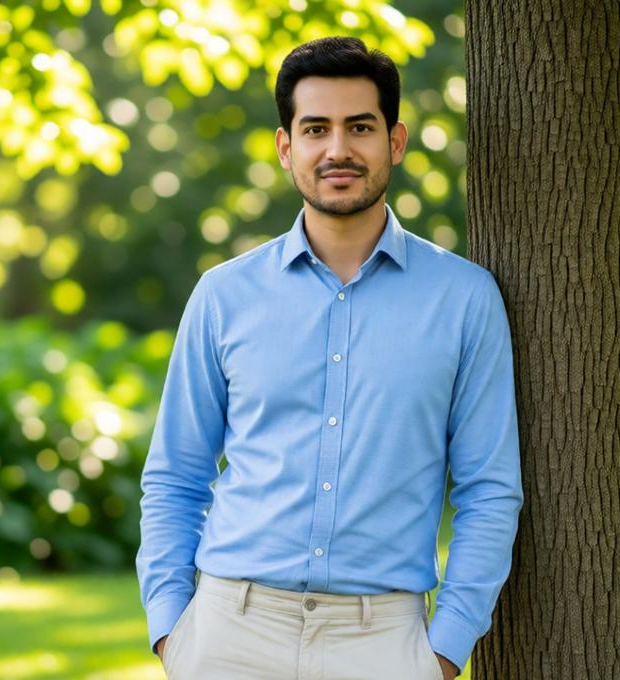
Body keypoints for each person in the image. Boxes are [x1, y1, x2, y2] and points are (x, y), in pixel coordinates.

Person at [136, 36, 523, 680]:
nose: (337, 149)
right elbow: (175, 476)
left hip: (383, 642)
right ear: (287, 147)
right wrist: (172, 630)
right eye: (315, 128)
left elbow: (489, 489)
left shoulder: (464, 299)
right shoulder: (224, 296)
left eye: (359, 127)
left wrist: (445, 649)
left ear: (394, 142)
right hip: (227, 634)